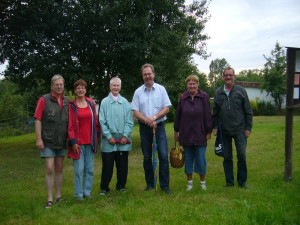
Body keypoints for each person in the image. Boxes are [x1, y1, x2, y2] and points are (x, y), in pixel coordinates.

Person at [131, 63, 172, 194]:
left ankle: (165, 187)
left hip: (159, 127)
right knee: (147, 157)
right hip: (144, 128)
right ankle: (150, 184)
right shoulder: (138, 92)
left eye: (149, 73)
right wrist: (146, 120)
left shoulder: (161, 89)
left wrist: (154, 117)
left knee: (164, 156)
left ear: (153, 74)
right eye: (145, 74)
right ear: (142, 76)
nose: (147, 76)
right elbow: (135, 111)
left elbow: (167, 108)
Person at [212, 67, 253, 188]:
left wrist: (248, 128)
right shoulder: (218, 92)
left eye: (230, 75)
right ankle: (229, 182)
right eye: (226, 75)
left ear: (234, 76)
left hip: (240, 129)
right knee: (227, 157)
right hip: (224, 130)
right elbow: (215, 112)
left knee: (241, 155)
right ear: (222, 77)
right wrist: (215, 127)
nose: (228, 77)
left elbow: (248, 111)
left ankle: (242, 181)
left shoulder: (241, 91)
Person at [34, 74, 69, 208]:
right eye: (57, 85)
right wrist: (38, 139)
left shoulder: (67, 101)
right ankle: (49, 198)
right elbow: (37, 119)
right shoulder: (44, 100)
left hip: (61, 140)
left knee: (59, 168)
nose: (59, 86)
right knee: (49, 168)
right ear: (52, 86)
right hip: (48, 140)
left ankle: (59, 196)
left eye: (61, 84)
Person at [174, 75, 213, 191]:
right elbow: (178, 115)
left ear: (197, 84)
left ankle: (202, 183)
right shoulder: (182, 97)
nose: (192, 85)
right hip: (186, 134)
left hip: (200, 133)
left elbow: (207, 114)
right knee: (188, 159)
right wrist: (176, 130)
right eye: (190, 84)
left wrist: (209, 130)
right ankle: (189, 183)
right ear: (187, 85)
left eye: (194, 83)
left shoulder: (204, 97)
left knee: (201, 159)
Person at [99, 77, 133, 195]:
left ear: (120, 87)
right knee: (107, 165)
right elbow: (102, 121)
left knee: (122, 165)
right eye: (113, 85)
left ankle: (121, 185)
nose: (116, 87)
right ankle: (104, 187)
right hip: (109, 141)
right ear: (110, 86)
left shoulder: (125, 102)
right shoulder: (104, 102)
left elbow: (129, 121)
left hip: (123, 141)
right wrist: (109, 136)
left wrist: (125, 136)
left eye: (118, 85)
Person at [67, 79, 100, 200]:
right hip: (78, 143)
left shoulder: (91, 103)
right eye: (78, 88)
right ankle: (78, 194)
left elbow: (95, 121)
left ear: (86, 90)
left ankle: (87, 192)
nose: (81, 90)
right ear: (75, 90)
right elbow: (70, 125)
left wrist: (96, 137)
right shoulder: (72, 106)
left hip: (90, 142)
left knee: (89, 169)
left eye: (83, 87)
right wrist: (73, 142)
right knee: (79, 170)